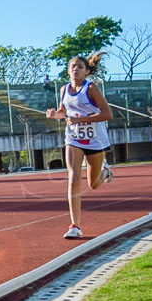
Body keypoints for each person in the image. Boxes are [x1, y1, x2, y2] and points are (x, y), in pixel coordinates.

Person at [45, 52, 114, 239]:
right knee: (73, 177)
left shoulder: (91, 89)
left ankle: (105, 172)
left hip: (95, 140)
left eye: (80, 67)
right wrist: (54, 114)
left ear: (87, 71)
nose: (75, 69)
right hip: (73, 139)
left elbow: (108, 114)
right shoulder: (64, 90)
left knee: (93, 184)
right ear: (68, 71)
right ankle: (75, 226)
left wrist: (83, 119)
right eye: (73, 66)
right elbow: (63, 112)